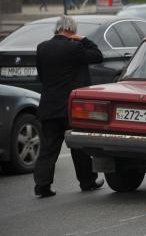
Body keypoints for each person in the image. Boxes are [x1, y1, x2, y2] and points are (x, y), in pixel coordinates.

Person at [34, 15, 104, 198]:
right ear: (72, 30)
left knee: (48, 148)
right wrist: (84, 39)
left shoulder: (42, 48)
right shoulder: (75, 47)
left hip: (49, 106)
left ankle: (42, 185)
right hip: (72, 107)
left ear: (57, 29)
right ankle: (87, 182)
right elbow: (98, 56)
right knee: (79, 147)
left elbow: (42, 76)